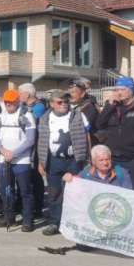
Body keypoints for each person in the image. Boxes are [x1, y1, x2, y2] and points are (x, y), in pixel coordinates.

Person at [37, 91, 90, 235]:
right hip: (53, 160)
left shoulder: (78, 115)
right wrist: (41, 161)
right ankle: (55, 222)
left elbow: (87, 136)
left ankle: (73, 223)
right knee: (54, 193)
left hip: (74, 160)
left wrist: (88, 158)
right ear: (52, 104)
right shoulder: (45, 118)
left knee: (74, 193)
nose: (64, 104)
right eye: (60, 102)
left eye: (66, 101)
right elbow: (41, 140)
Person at [95, 76, 134, 194]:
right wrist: (109, 105)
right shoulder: (113, 107)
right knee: (117, 194)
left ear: (131, 90)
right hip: (115, 159)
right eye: (117, 89)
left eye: (122, 89)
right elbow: (99, 124)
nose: (119, 92)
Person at [0, 89, 37, 231]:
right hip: (4, 159)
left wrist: (14, 153)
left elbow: (30, 140)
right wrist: (3, 150)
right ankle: (9, 217)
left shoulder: (27, 116)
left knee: (25, 192)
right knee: (6, 191)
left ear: (17, 102)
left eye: (11, 102)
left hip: (22, 161)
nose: (8, 104)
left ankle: (28, 220)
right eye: (6, 102)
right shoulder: (0, 117)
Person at [18, 82, 46, 221]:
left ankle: (37, 208)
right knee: (25, 177)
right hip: (25, 145)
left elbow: (30, 123)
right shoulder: (23, 106)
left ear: (27, 94)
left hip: (36, 146)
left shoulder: (39, 107)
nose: (18, 96)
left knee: (36, 177)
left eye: (20, 93)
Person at [62, 145, 133, 188]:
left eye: (107, 159)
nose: (105, 163)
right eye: (101, 160)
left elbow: (129, 195)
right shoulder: (86, 174)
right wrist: (67, 179)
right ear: (94, 162)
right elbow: (73, 187)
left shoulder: (121, 173)